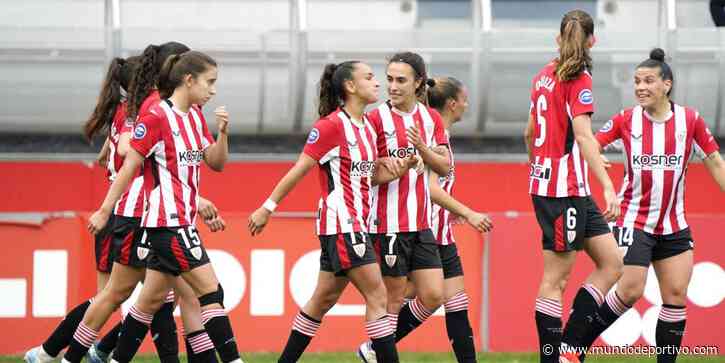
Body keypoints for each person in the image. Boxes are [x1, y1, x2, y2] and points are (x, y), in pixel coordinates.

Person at [248, 60, 415, 363]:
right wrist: (267, 207)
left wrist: (398, 169)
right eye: (369, 77)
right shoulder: (331, 126)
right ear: (350, 87)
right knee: (379, 297)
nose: (377, 83)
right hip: (343, 225)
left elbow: (368, 177)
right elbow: (300, 169)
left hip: (354, 226)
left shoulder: (366, 127)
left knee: (321, 300)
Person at [83, 50, 241, 363]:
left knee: (149, 302)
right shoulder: (156, 115)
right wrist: (104, 210)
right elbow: (128, 167)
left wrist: (223, 134)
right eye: (210, 82)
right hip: (163, 224)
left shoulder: (194, 116)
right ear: (189, 79)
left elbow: (216, 163)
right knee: (209, 293)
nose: (213, 90)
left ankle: (105, 356)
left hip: (180, 222)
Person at [573, 48, 725, 363]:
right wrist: (597, 157)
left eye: (649, 81)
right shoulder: (626, 120)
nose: (641, 87)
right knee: (630, 291)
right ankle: (574, 349)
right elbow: (588, 143)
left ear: (666, 85)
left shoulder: (690, 120)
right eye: (637, 81)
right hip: (633, 220)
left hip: (674, 223)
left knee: (675, 297)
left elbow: (714, 162)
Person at [357, 76, 493, 363]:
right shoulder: (431, 132)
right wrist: (467, 212)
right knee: (415, 296)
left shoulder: (438, 131)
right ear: (453, 103)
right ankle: (376, 347)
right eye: (465, 99)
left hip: (441, 230)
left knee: (452, 300)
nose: (468, 105)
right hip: (425, 229)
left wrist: (452, 209)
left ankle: (375, 347)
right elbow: (431, 189)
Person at [523, 9, 623, 363]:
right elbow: (582, 136)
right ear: (593, 41)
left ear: (558, 39)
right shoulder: (577, 79)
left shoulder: (542, 76)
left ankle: (570, 349)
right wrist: (608, 185)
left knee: (612, 263)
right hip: (561, 192)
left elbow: (531, 133)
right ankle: (552, 357)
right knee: (555, 280)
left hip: (570, 188)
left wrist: (539, 165)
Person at [356, 51, 451, 361]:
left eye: (401, 80)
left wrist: (422, 148)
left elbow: (445, 166)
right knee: (392, 299)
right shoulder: (374, 119)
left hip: (421, 223)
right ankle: (382, 355)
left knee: (434, 294)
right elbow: (363, 173)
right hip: (387, 223)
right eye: (389, 80)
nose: (392, 87)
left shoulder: (430, 118)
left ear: (418, 83)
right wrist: (393, 166)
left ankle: (373, 349)